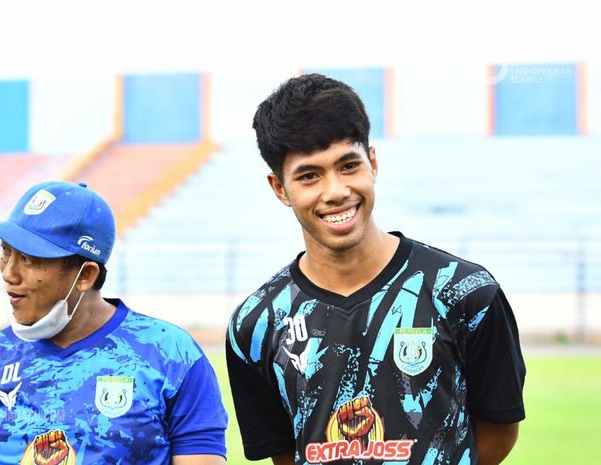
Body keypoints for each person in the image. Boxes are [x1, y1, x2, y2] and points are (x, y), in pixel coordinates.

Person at [225, 74, 526, 465]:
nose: (335, 191)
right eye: (309, 175)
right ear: (280, 188)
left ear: (373, 163)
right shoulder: (257, 323)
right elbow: (283, 452)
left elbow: (499, 432)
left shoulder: (466, 293)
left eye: (348, 165)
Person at [0, 180, 227, 465]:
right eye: (6, 252)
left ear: (85, 276)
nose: (9, 274)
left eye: (29, 259)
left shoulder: (171, 354)